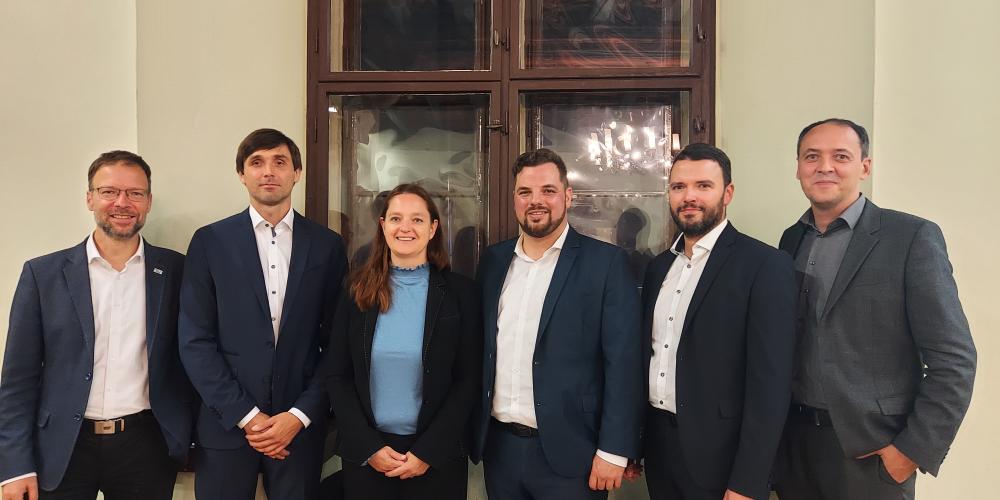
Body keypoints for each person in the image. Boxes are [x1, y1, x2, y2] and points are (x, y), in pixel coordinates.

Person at [773, 118, 977, 500]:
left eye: (841, 156)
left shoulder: (911, 237)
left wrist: (910, 452)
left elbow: (955, 359)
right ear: (798, 167)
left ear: (865, 167)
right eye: (812, 156)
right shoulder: (791, 239)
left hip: (870, 455)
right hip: (795, 447)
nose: (824, 167)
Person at [0, 151, 194, 500]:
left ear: (148, 201)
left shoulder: (177, 272)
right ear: (89, 197)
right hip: (63, 446)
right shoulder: (42, 275)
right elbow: (18, 380)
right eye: (109, 191)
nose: (122, 203)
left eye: (135, 193)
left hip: (146, 445)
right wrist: (14, 466)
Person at [178, 129, 347, 499]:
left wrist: (299, 415)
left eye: (280, 162)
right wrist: (248, 416)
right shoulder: (210, 242)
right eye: (256, 162)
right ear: (242, 174)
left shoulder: (327, 246)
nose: (268, 171)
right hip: (226, 425)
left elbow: (337, 343)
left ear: (297, 172)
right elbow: (195, 341)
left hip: (299, 428)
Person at [472, 148, 644, 500]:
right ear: (515, 198)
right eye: (525, 192)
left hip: (575, 455)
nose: (536, 201)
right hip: (500, 450)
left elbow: (624, 363)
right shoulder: (493, 261)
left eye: (548, 191)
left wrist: (614, 450)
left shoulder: (605, 264)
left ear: (568, 196)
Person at [639, 143, 796, 500]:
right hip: (660, 447)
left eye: (703, 186)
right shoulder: (658, 267)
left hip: (722, 458)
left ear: (728, 193)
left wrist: (749, 480)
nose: (688, 196)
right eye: (679, 187)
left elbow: (770, 387)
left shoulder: (765, 265)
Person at [324, 183, 482, 500]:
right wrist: (369, 447)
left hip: (437, 457)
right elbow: (337, 375)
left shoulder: (460, 293)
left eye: (417, 219)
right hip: (368, 455)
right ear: (383, 225)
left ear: (433, 227)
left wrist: (428, 451)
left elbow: (468, 380)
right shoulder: (355, 291)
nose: (405, 228)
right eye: (396, 219)